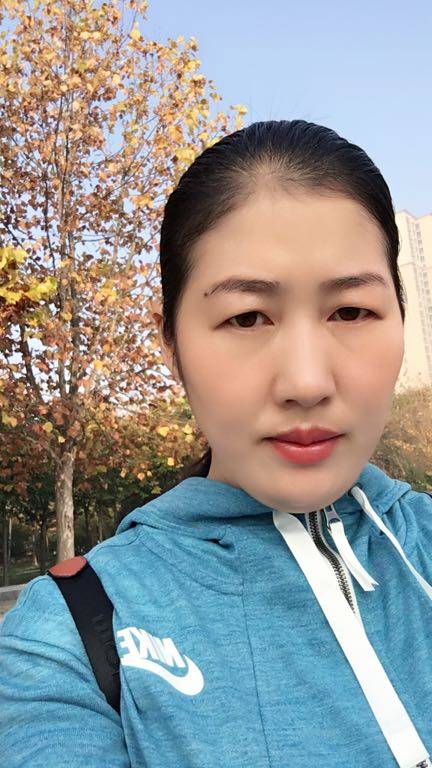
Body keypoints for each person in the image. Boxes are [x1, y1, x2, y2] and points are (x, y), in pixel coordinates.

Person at [1, 119, 431, 768]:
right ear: (171, 342)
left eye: (351, 311)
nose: (307, 382)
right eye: (246, 317)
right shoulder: (70, 636)